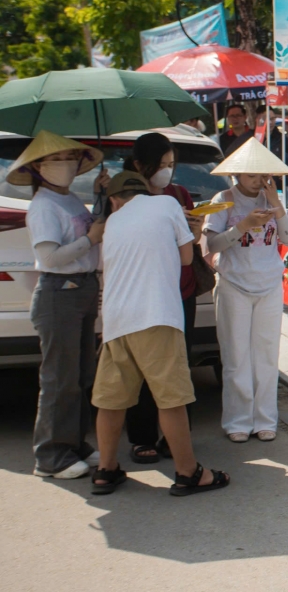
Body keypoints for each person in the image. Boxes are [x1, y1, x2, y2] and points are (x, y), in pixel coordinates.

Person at [90, 171, 230, 496]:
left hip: (115, 321)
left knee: (111, 401)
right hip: (156, 315)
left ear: (114, 200)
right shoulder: (167, 203)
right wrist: (190, 233)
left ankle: (105, 470)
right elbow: (185, 257)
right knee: (171, 399)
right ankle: (188, 472)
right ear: (146, 191)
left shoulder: (112, 224)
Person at [9, 133, 107, 479]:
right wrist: (89, 239)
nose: (67, 163)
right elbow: (49, 257)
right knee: (59, 378)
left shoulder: (70, 201)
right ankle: (51, 457)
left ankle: (73, 444)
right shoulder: (43, 206)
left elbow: (90, 229)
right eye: (58, 157)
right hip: (59, 292)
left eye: (71, 156)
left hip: (80, 289)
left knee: (80, 375)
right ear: (38, 166)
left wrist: (100, 196)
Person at [122, 131, 207, 464]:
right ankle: (142, 437)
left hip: (179, 292)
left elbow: (190, 247)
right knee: (142, 368)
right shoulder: (126, 197)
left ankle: (175, 439)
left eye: (172, 164)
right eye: (162, 164)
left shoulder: (179, 194)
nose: (168, 171)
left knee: (178, 367)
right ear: (141, 165)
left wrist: (195, 229)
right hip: (144, 294)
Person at [203, 140, 288, 441]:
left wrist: (277, 205)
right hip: (234, 284)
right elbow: (211, 245)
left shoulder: (271, 199)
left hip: (268, 284)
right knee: (236, 356)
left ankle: (265, 419)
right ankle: (238, 422)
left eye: (263, 175)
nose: (258, 180)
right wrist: (243, 225)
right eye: (252, 175)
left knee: (266, 354)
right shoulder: (224, 200)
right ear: (238, 174)